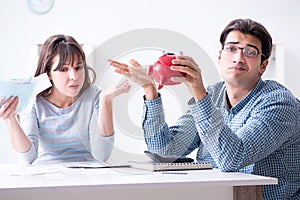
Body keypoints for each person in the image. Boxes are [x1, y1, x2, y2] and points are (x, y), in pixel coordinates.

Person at [109, 19, 300, 200]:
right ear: (219, 56)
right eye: (231, 48)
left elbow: (233, 159)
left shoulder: (279, 103)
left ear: (263, 65)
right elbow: (165, 151)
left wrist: (198, 92)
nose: (238, 58)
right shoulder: (213, 94)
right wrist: (150, 90)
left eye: (249, 52)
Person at [0, 34, 131, 164]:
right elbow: (28, 158)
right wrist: (9, 119)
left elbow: (102, 155)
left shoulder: (94, 95)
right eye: (63, 69)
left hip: (87, 176)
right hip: (47, 176)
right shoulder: (35, 101)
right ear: (48, 74)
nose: (74, 76)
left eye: (78, 68)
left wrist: (106, 101)